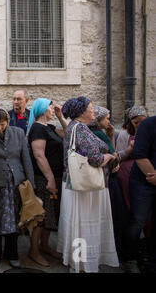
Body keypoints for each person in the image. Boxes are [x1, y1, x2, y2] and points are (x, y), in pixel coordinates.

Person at [57, 97, 119, 273]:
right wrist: (109, 157)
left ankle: (78, 262)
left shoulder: (73, 128)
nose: (93, 111)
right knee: (85, 227)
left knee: (77, 225)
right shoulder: (81, 129)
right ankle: (83, 265)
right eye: (91, 109)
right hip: (85, 188)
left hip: (75, 185)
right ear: (81, 112)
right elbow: (97, 159)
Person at [0, 108, 39, 268]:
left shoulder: (18, 133)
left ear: (8, 122)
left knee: (15, 219)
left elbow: (26, 159)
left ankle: (12, 253)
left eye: (2, 124)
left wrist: (31, 184)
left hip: (16, 183)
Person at [27, 99, 67, 263]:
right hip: (44, 179)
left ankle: (44, 246)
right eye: (50, 107)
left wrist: (60, 117)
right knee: (41, 216)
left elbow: (69, 133)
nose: (52, 109)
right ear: (43, 110)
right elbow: (39, 155)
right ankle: (34, 250)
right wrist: (50, 178)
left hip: (55, 177)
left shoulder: (49, 128)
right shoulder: (37, 128)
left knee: (50, 215)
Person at [87, 106, 127, 264]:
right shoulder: (96, 134)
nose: (109, 121)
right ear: (98, 120)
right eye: (106, 118)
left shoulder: (99, 133)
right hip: (106, 180)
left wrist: (110, 137)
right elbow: (114, 156)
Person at [124, 115, 156, 273]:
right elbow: (140, 155)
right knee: (138, 221)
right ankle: (130, 259)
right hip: (142, 182)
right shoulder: (148, 124)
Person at [116, 106, 148, 214]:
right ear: (130, 122)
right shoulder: (124, 134)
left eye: (142, 122)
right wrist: (130, 149)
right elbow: (118, 156)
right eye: (136, 122)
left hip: (147, 169)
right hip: (127, 172)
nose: (139, 125)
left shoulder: (151, 132)